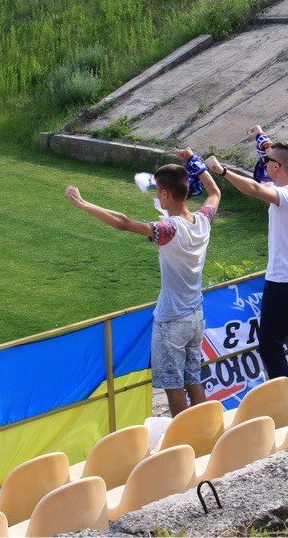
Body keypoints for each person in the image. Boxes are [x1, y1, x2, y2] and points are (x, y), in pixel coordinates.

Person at [65, 149, 220, 416]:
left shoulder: (169, 229)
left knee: (173, 384)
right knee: (193, 377)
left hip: (171, 320)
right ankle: (207, 428)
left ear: (165, 194)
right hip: (196, 316)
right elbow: (215, 192)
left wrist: (84, 204)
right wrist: (193, 160)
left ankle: (184, 435)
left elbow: (123, 223)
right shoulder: (203, 220)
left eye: (157, 191)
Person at [204, 139, 288, 381]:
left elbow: (256, 189)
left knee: (270, 344)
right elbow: (282, 160)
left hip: (284, 281)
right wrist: (262, 138)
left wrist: (222, 171)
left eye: (267, 160)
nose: (263, 162)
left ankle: (282, 397)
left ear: (277, 166)